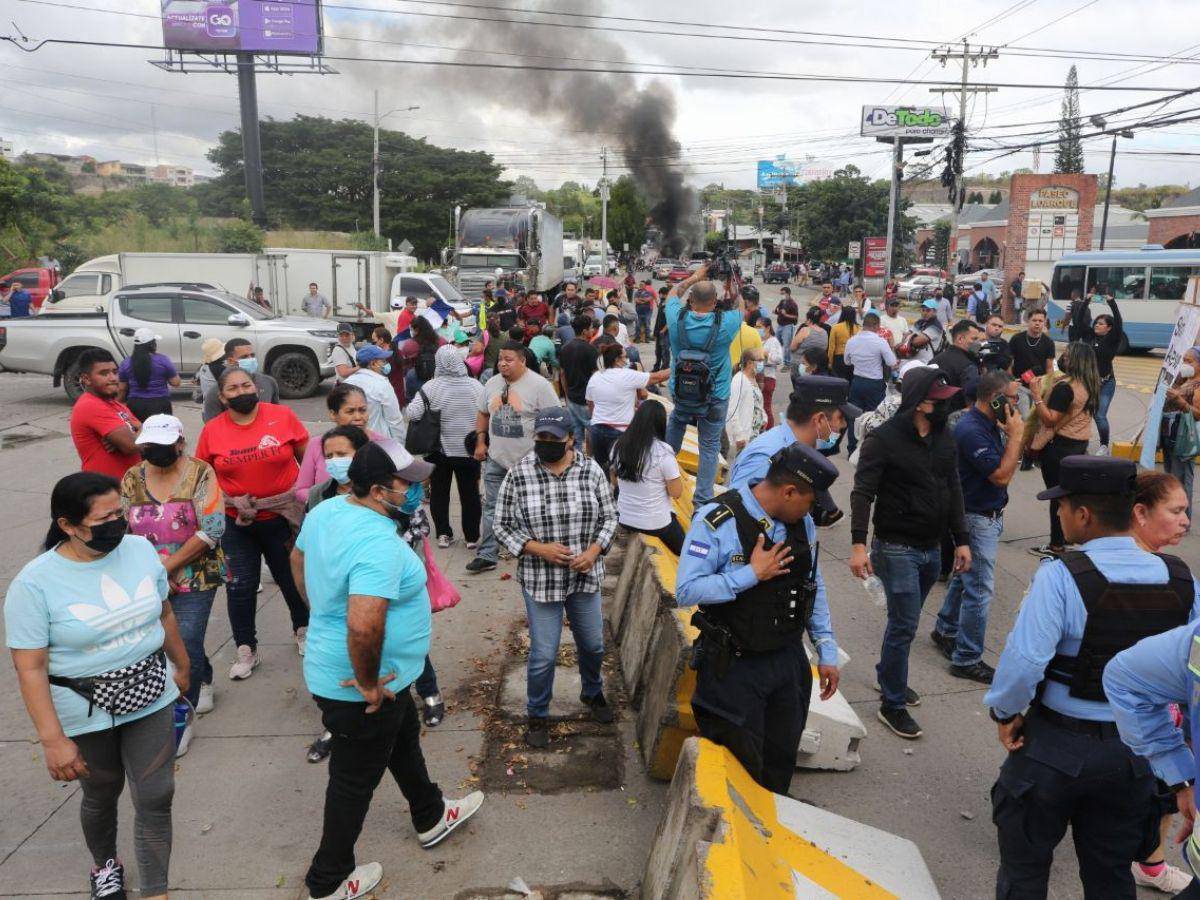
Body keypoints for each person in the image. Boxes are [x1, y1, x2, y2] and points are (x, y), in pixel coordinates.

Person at [985, 456, 1200, 898]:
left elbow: (1024, 664)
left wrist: (1006, 714)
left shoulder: (1061, 576)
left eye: (1062, 506)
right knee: (1110, 874)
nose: (1058, 514)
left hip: (1054, 747)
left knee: (1024, 872)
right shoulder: (1182, 579)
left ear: (1082, 514)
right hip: (1133, 755)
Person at [291, 442, 483, 900]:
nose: (418, 489)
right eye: (408, 483)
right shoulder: (377, 543)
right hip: (360, 685)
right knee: (353, 781)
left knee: (401, 737)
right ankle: (328, 880)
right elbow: (364, 622)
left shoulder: (330, 509)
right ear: (379, 490)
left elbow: (297, 560)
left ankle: (430, 814)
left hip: (382, 676)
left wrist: (320, 612)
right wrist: (369, 682)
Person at [6, 471, 190, 900]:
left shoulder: (141, 550)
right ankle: (105, 864)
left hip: (151, 693)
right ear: (68, 525)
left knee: (156, 794)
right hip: (84, 710)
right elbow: (30, 667)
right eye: (103, 519)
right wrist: (52, 740)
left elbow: (163, 613)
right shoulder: (35, 584)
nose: (117, 525)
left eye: (119, 514)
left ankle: (156, 890)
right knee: (102, 791)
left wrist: (182, 665)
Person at [676, 444, 841, 794]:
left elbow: (813, 584)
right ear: (789, 491)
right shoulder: (717, 520)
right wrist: (750, 573)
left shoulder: (803, 523)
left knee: (780, 755)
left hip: (786, 659)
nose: (811, 511)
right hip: (735, 666)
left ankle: (774, 819)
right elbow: (687, 590)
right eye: (809, 501)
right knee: (739, 765)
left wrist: (826, 648)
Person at [850, 366, 971, 739]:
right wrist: (857, 546)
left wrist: (961, 539)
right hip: (895, 547)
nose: (945, 405)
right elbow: (862, 492)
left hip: (931, 548)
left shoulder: (943, 438)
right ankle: (892, 704)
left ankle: (889, 675)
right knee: (904, 626)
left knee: (906, 623)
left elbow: (952, 487)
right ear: (919, 403)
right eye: (938, 400)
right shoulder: (884, 439)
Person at [492, 408, 618, 749]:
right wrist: (537, 548)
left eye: (554, 439)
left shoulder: (591, 470)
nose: (546, 444)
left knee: (593, 645)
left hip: (584, 578)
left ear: (571, 440)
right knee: (544, 654)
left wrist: (594, 551)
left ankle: (592, 692)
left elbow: (610, 517)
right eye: (541, 438)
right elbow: (501, 526)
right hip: (540, 580)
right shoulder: (520, 474)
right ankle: (537, 712)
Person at [1100, 471, 1196, 895]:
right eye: (1176, 511)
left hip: (1151, 713)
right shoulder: (1084, 568)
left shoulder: (1180, 576)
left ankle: (1150, 861)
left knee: (1156, 791)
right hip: (1103, 715)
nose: (1186, 521)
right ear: (1139, 513)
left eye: (1187, 512)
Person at [195, 366, 310, 680]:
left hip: (283, 516)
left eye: (246, 385)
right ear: (221, 397)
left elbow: (309, 460)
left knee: (291, 578)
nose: (241, 391)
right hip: (237, 522)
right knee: (240, 586)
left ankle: (303, 630)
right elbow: (205, 475)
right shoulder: (212, 430)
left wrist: (307, 501)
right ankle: (247, 648)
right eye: (232, 388)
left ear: (256, 388)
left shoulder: (282, 416)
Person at [121, 414, 225, 727]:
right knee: (162, 640)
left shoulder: (200, 472)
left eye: (163, 444)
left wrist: (167, 567)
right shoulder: (132, 477)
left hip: (196, 573)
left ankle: (183, 715)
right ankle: (201, 675)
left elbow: (213, 528)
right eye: (149, 444)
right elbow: (123, 528)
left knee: (188, 636)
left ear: (180, 442)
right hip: (146, 576)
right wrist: (151, 572)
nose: (155, 450)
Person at [930, 372, 1023, 684]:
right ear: (993, 399)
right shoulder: (972, 430)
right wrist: (1017, 437)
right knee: (980, 589)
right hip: (976, 516)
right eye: (1011, 398)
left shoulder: (987, 423)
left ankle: (945, 629)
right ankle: (967, 658)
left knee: (965, 578)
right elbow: (1000, 475)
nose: (1015, 403)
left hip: (988, 512)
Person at [467, 342, 561, 574]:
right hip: (497, 459)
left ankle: (536, 551)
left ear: (522, 361)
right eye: (500, 359)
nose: (502, 363)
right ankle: (488, 554)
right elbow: (482, 412)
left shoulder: (540, 386)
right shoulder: (491, 383)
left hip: (530, 462)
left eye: (508, 359)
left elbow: (555, 418)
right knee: (492, 507)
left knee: (534, 508)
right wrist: (480, 441)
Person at [664, 263, 743, 510]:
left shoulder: (676, 317)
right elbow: (741, 306)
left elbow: (671, 294)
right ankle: (702, 500)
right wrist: (732, 284)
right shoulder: (726, 323)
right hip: (715, 396)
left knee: (676, 424)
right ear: (715, 300)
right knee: (709, 445)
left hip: (682, 392)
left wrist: (693, 277)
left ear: (691, 300)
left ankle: (660, 475)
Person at [407, 346, 485, 549]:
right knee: (470, 494)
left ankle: (443, 534)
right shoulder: (476, 386)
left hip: (439, 451)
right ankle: (471, 536)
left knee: (439, 493)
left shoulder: (431, 387)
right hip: (470, 450)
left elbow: (413, 414)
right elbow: (486, 412)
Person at [1029, 341, 1101, 558]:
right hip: (1079, 446)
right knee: (1070, 496)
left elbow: (1050, 420)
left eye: (1067, 356)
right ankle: (1071, 538)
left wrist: (1037, 396)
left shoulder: (1066, 388)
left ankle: (1057, 544)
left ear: (1076, 360)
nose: (1063, 358)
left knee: (1058, 497)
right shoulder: (1090, 384)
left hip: (1059, 448)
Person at [611, 401, 685, 555]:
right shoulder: (663, 452)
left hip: (624, 518)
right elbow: (676, 492)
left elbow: (614, 481)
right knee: (686, 550)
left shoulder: (618, 446)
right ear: (660, 423)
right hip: (655, 524)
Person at [585, 343, 669, 475]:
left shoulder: (595, 377)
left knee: (602, 470)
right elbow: (657, 377)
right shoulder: (627, 375)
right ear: (617, 360)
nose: (627, 359)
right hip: (619, 432)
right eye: (625, 356)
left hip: (597, 431)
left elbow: (590, 404)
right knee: (621, 473)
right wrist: (678, 366)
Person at [295, 384, 379, 503]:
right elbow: (302, 490)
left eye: (363, 410)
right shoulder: (317, 444)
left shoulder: (381, 444)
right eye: (350, 411)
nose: (358, 417)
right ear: (333, 414)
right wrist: (328, 504)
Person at [69, 348, 142, 480]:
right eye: (104, 373)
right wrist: (139, 432)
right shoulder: (91, 405)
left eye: (115, 372)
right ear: (86, 379)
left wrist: (139, 430)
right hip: (105, 489)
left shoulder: (115, 404)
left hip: (128, 486)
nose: (113, 378)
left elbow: (139, 433)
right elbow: (132, 446)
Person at [842, 312, 897, 451]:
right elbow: (891, 362)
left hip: (857, 381)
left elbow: (846, 362)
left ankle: (852, 448)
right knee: (875, 416)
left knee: (854, 416)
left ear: (863, 324)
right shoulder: (880, 341)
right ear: (877, 326)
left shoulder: (852, 340)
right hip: (875, 383)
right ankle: (871, 448)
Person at [201, 338, 280, 422]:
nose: (251, 359)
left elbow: (275, 415)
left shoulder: (269, 382)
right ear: (230, 361)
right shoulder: (215, 392)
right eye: (244, 357)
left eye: (252, 355)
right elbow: (213, 428)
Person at [1164, 349, 1200, 524]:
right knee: (1171, 478)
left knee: (1182, 479)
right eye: (1184, 360)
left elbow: (1198, 414)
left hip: (1186, 438)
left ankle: (1182, 520)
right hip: (1170, 434)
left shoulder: (1198, 386)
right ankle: (1172, 514)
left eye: (1190, 361)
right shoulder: (1184, 380)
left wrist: (1181, 402)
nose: (1185, 364)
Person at [345, 345, 407, 443]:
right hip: (378, 444)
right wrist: (399, 447)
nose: (386, 364)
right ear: (373, 363)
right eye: (383, 361)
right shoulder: (382, 385)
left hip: (351, 443)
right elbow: (394, 421)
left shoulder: (347, 383)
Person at [118, 327, 181, 422]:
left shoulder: (126, 363)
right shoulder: (163, 360)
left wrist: (119, 404)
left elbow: (122, 388)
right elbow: (176, 383)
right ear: (152, 344)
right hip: (160, 404)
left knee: (139, 434)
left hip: (135, 404)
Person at [558, 315, 601, 449]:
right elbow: (595, 378)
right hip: (587, 402)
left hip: (571, 399)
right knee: (594, 432)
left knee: (576, 437)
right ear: (584, 331)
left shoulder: (565, 348)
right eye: (591, 328)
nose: (593, 331)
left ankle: (577, 462)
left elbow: (562, 374)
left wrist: (567, 395)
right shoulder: (591, 350)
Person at [1088, 295, 1124, 454]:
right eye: (1096, 322)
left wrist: (1111, 302)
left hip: (1106, 383)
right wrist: (1086, 301)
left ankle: (1104, 445)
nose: (1097, 325)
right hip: (1088, 383)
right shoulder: (1089, 337)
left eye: (1101, 323)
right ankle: (1080, 443)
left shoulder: (1112, 339)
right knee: (1082, 414)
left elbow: (1119, 321)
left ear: (1109, 328)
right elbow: (1081, 320)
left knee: (1099, 415)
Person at [931, 318, 985, 408]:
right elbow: (973, 398)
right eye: (974, 339)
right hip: (958, 415)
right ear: (960, 339)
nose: (978, 343)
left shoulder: (936, 360)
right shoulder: (968, 366)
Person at [725, 348, 766, 461]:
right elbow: (732, 409)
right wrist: (739, 435)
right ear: (750, 363)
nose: (762, 363)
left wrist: (764, 418)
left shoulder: (752, 379)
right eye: (760, 360)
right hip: (743, 438)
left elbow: (757, 403)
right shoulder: (739, 381)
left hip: (753, 434)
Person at [757, 317, 784, 429]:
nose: (757, 329)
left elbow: (779, 359)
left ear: (768, 328)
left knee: (766, 407)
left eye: (760, 327)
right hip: (757, 377)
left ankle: (769, 430)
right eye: (756, 326)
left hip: (768, 378)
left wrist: (767, 355)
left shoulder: (773, 341)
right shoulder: (758, 339)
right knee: (757, 408)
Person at [908, 299, 947, 363]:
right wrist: (909, 338)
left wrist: (909, 339)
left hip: (926, 364)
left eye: (928, 310)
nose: (924, 313)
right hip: (914, 360)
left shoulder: (936, 326)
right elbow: (906, 336)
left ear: (934, 311)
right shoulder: (920, 322)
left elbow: (916, 341)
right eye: (923, 310)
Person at [826, 307, 859, 381]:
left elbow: (831, 347)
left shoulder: (835, 328)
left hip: (839, 359)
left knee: (839, 383)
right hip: (855, 359)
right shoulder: (859, 328)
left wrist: (830, 362)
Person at [195, 337, 226, 402]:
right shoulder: (219, 368)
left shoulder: (203, 366)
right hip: (217, 404)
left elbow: (196, 378)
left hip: (206, 403)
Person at [774, 286, 799, 366]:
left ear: (787, 293)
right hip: (780, 325)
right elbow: (778, 310)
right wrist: (776, 311)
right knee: (776, 342)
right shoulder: (782, 302)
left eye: (783, 293)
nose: (782, 295)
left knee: (787, 345)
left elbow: (795, 317)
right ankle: (775, 359)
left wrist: (786, 314)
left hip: (788, 326)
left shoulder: (793, 304)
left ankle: (787, 363)